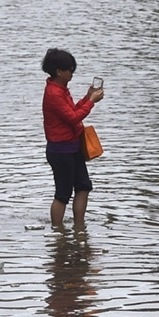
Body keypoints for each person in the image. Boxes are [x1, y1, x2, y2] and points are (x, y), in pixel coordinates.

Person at [42, 48, 104, 227]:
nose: (72, 74)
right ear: (59, 71)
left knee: (84, 186)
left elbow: (73, 111)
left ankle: (79, 227)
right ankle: (57, 230)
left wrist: (87, 97)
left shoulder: (61, 90)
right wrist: (91, 101)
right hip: (60, 150)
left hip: (72, 147)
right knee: (63, 194)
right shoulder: (54, 93)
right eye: (70, 70)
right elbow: (73, 118)